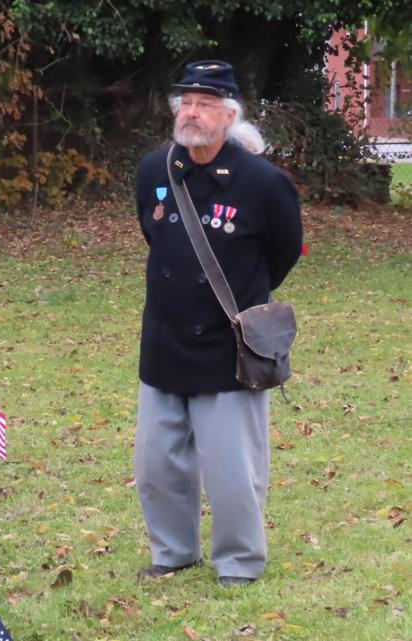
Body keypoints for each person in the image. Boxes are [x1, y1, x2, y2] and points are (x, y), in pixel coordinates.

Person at [133, 60, 303, 586]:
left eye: (205, 104)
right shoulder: (154, 170)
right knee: (157, 465)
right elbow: (154, 234)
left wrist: (240, 295)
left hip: (229, 346)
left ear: (230, 115)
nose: (192, 112)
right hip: (164, 339)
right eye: (185, 102)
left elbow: (284, 252)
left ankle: (239, 562)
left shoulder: (263, 182)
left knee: (233, 470)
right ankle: (174, 552)